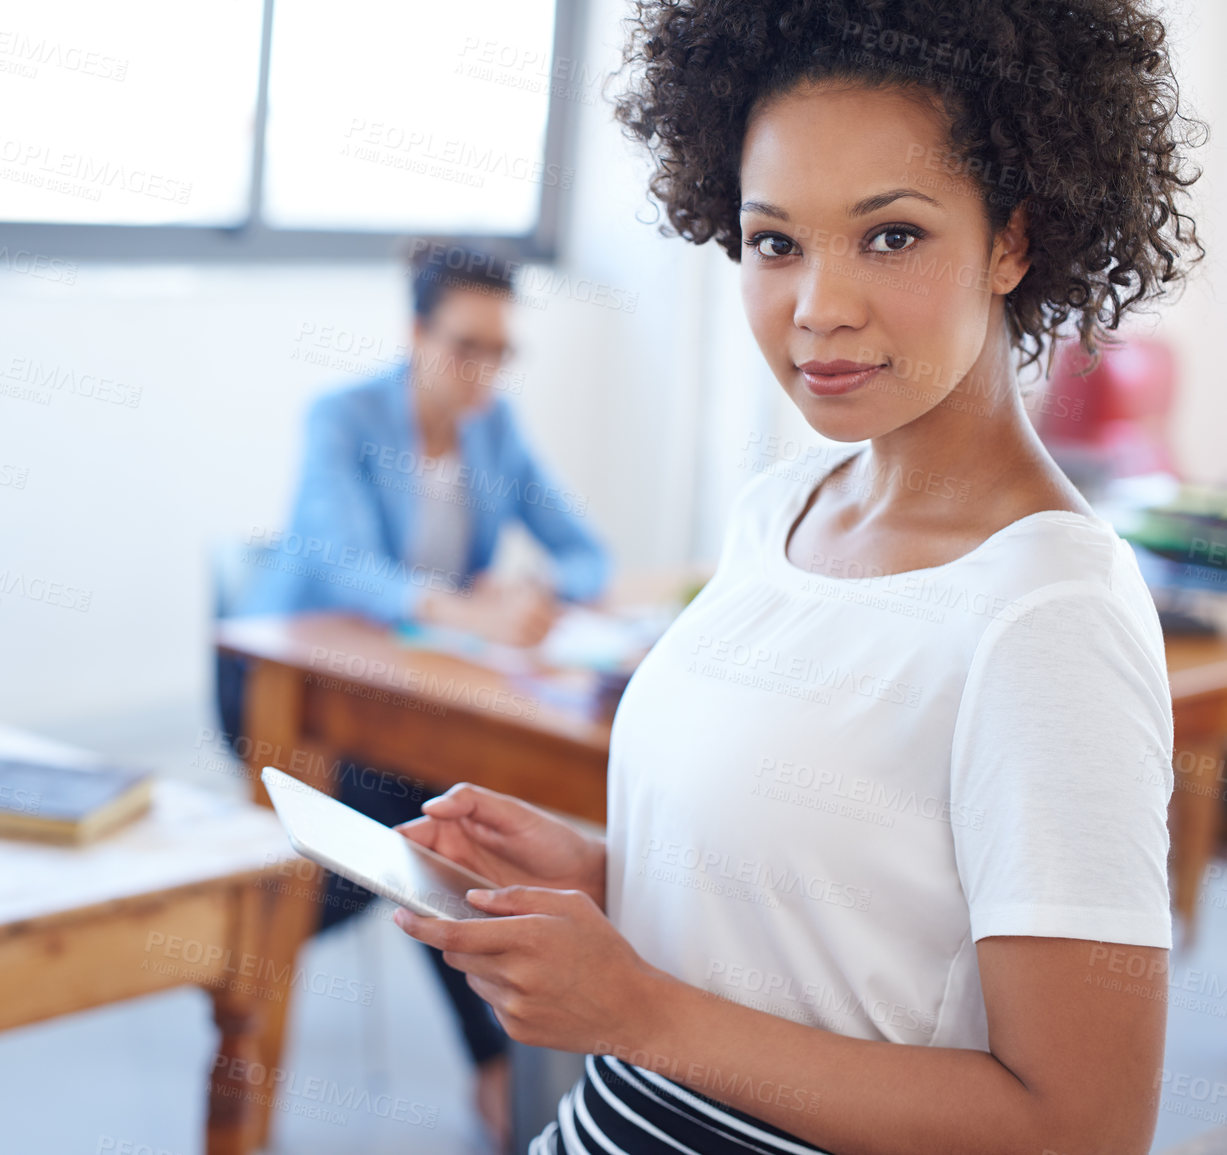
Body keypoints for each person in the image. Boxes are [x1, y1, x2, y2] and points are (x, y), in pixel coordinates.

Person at [389, 2, 1203, 1153]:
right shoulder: (784, 511)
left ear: (1013, 240)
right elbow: (834, 935)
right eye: (776, 242)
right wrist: (606, 875)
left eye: (891, 235)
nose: (819, 306)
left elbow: (1080, 1128)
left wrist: (639, 1011)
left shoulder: (1047, 617)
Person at [228, 241, 610, 1149]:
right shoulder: (343, 417)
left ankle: (268, 927)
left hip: (414, 687)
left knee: (430, 814)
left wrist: (537, 597)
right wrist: (458, 608)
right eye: (464, 347)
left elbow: (584, 549)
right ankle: (485, 1060)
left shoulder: (496, 429)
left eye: (499, 351)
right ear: (414, 333)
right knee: (424, 812)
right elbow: (344, 567)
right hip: (286, 673)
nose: (482, 372)